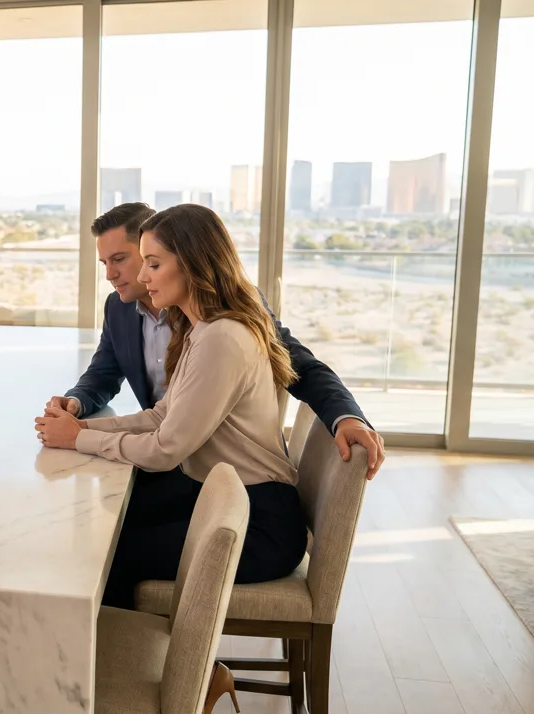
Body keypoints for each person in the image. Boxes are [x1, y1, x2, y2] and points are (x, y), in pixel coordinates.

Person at [35, 204, 309, 608]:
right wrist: (81, 431)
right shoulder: (201, 329)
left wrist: (78, 441)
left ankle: (143, 668)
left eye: (153, 263)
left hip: (256, 523)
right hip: (227, 497)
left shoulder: (220, 339)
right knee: (108, 524)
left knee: (109, 555)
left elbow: (165, 450)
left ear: (194, 263)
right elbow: (162, 415)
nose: (143, 277)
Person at [46, 202, 385, 478]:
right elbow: (105, 376)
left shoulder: (222, 316)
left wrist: (347, 416)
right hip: (172, 464)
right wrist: (76, 409)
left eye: (121, 259)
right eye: (104, 263)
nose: (110, 274)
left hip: (231, 476)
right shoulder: (122, 310)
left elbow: (301, 366)